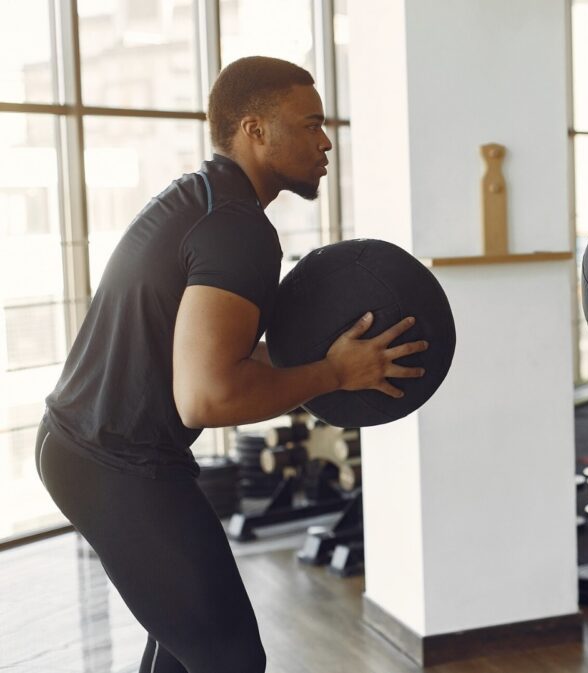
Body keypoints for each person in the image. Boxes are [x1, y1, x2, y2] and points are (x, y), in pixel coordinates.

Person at [36, 56, 427, 673]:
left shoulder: (203, 198)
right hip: (115, 464)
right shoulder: (238, 230)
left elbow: (210, 358)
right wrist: (336, 374)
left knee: (185, 649)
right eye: (310, 124)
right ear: (256, 129)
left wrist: (328, 356)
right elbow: (207, 398)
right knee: (230, 659)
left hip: (92, 448)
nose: (326, 141)